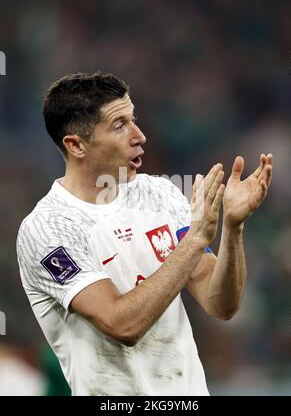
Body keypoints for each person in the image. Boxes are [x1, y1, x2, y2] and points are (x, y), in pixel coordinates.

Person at [16, 72, 273, 396]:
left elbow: (220, 305)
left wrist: (233, 229)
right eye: (119, 125)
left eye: (133, 119)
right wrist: (194, 241)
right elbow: (121, 324)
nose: (139, 136)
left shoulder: (161, 194)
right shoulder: (49, 228)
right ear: (76, 145)